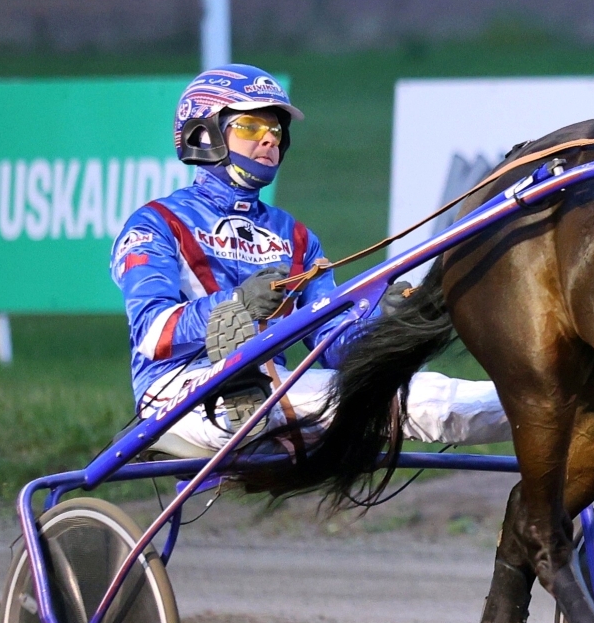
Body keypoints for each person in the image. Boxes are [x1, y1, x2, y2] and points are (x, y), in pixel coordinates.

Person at [112, 64, 508, 458]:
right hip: (175, 393)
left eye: (275, 129)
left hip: (275, 388)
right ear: (203, 134)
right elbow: (153, 333)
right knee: (262, 397)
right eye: (251, 126)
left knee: (413, 395)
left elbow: (332, 347)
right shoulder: (156, 223)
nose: (269, 138)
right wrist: (237, 305)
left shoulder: (296, 237)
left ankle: (535, 399)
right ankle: (238, 393)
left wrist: (381, 318)